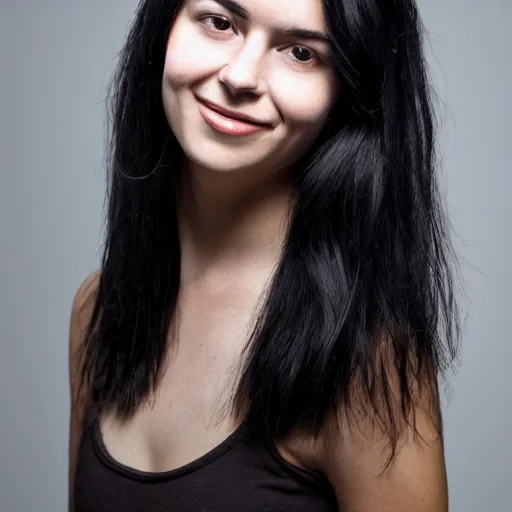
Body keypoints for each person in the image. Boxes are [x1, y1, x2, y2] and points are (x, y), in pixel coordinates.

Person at [68, 0, 462, 510]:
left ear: (346, 92)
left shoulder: (364, 357)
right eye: (219, 23)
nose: (240, 76)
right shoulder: (97, 309)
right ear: (164, 24)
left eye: (300, 52)